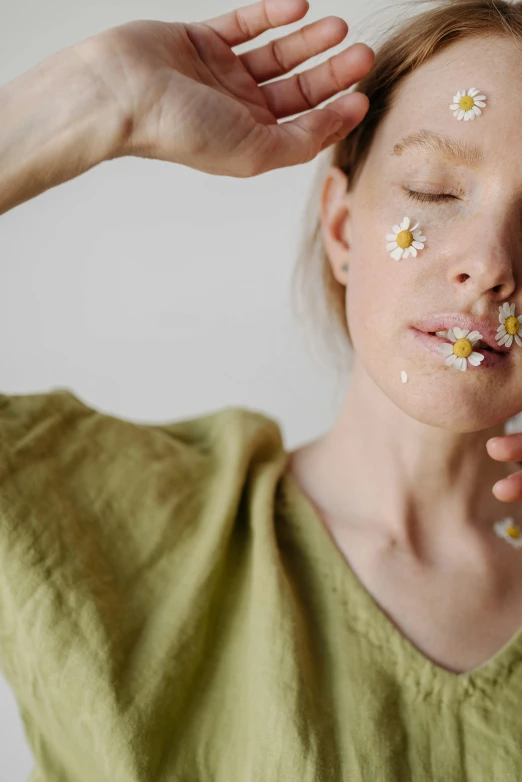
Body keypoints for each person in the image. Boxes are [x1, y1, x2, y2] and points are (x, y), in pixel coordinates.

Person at [2, 0, 522, 778]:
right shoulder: (113, 521)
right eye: (435, 192)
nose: (489, 263)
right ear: (342, 230)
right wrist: (90, 97)